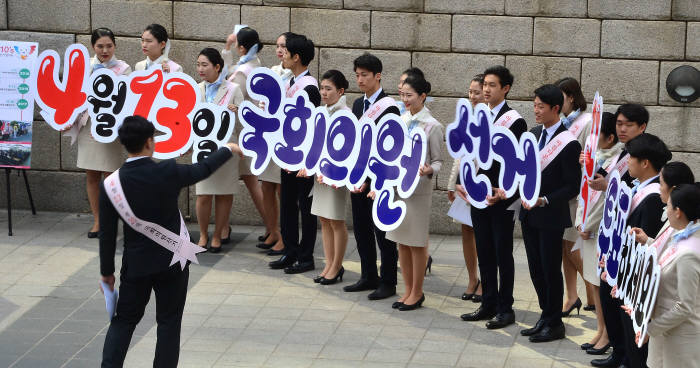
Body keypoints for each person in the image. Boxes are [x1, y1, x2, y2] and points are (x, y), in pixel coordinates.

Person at [99, 115, 240, 367]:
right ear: (150, 142)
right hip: (172, 261)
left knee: (124, 321)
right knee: (169, 323)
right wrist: (227, 149)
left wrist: (106, 272)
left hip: (136, 265)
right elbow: (203, 169)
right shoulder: (167, 171)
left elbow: (107, 235)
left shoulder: (111, 184)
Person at [460, 67, 527, 329]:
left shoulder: (515, 121)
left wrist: (504, 190)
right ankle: (487, 302)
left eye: (492, 85)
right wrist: (464, 181)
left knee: (502, 253)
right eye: (484, 84)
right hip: (479, 194)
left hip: (501, 197)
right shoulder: (480, 116)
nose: (486, 90)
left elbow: (517, 163)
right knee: (484, 250)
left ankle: (505, 307)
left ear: (506, 88)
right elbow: (470, 154)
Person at [519, 84, 581, 343]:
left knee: (549, 268)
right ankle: (545, 314)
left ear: (556, 108)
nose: (536, 110)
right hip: (528, 214)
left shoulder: (568, 143)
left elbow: (572, 186)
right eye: (534, 105)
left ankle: (555, 322)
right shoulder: (533, 135)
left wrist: (544, 199)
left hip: (551, 215)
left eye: (541, 107)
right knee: (535, 268)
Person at [590, 104, 649, 368]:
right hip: (611, 236)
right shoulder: (622, 153)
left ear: (642, 127)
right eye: (619, 124)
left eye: (628, 125)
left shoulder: (647, 152)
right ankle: (617, 351)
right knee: (608, 298)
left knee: (623, 304)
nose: (621, 129)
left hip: (628, 242)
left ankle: (627, 356)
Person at [342, 53, 401, 300]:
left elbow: (391, 148)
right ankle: (368, 275)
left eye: (364, 75)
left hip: (379, 178)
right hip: (358, 175)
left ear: (378, 76)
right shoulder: (357, 105)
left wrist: (376, 178)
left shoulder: (390, 107)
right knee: (362, 228)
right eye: (357, 75)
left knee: (383, 233)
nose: (360, 80)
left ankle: (388, 281)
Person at [383, 74, 443, 311]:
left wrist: (429, 169)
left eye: (410, 95)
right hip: (398, 188)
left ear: (423, 96)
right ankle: (407, 290)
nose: (405, 99)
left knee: (416, 244)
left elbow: (438, 161)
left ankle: (417, 293)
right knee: (401, 243)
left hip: (418, 192)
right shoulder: (399, 120)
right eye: (402, 95)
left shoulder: (433, 126)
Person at [615, 133, 671, 368]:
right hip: (627, 278)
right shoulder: (639, 187)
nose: (627, 162)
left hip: (638, 283)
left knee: (636, 343)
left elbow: (645, 248)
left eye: (631, 157)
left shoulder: (654, 198)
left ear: (645, 163)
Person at [71, 28, 131, 238]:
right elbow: (74, 94)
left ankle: (111, 220)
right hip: (88, 126)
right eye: (100, 46)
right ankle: (98, 221)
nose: (105, 50)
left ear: (115, 46)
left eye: (109, 46)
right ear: (93, 46)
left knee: (111, 177)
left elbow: (126, 99)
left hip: (110, 128)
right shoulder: (84, 65)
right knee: (91, 175)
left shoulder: (124, 69)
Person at [268, 33, 321, 274]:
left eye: (285, 51)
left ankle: (306, 256)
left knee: (305, 207)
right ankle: (289, 251)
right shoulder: (289, 82)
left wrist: (304, 159)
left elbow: (309, 128)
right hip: (286, 153)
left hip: (302, 158)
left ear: (296, 57)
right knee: (287, 203)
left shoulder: (309, 87)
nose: (282, 55)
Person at [575, 112, 623, 354]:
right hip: (587, 228)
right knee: (593, 284)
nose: (592, 138)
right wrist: (578, 221)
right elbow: (583, 191)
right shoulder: (594, 157)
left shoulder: (617, 161)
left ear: (611, 137)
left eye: (597, 134)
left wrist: (589, 226)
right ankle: (600, 329)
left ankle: (607, 335)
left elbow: (606, 200)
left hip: (600, 231)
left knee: (600, 284)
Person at [222, 26, 273, 252]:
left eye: (236, 45)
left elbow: (227, 81)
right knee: (251, 182)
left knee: (249, 181)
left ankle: (274, 228)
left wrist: (226, 50)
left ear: (242, 47)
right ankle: (272, 228)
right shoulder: (250, 65)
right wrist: (226, 50)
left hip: (245, 132)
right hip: (241, 131)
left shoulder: (248, 70)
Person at [644, 183, 700, 368]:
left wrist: (650, 329)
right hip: (665, 331)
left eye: (668, 206)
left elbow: (685, 306)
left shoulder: (689, 252)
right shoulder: (682, 235)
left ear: (678, 212)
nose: (665, 210)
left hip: (680, 341)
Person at [193, 48, 244, 252]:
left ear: (217, 67)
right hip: (203, 148)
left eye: (205, 65)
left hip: (226, 150)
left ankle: (218, 234)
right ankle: (203, 234)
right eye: (198, 64)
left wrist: (237, 111)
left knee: (224, 194)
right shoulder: (196, 89)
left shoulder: (233, 89)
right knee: (203, 195)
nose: (200, 69)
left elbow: (245, 121)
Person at [556, 77, 594, 315]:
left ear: (571, 96)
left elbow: (591, 156)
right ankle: (573, 296)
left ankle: (595, 292)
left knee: (572, 246)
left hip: (579, 194)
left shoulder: (587, 121)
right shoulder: (565, 121)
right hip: (564, 193)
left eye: (560, 98)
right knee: (564, 246)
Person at [310, 70, 351, 285]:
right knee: (324, 219)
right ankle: (328, 263)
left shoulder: (345, 113)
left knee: (336, 220)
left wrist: (330, 172)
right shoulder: (320, 111)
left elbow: (344, 149)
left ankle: (337, 265)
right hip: (319, 174)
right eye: (322, 88)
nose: (324, 93)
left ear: (341, 91)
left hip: (335, 175)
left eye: (328, 89)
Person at [448, 74, 484, 303]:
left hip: (481, 184)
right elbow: (458, 155)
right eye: (470, 92)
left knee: (482, 234)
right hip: (463, 182)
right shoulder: (465, 117)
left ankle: (486, 280)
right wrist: (452, 183)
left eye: (477, 92)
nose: (473, 96)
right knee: (466, 232)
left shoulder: (491, 119)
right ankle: (473, 278)